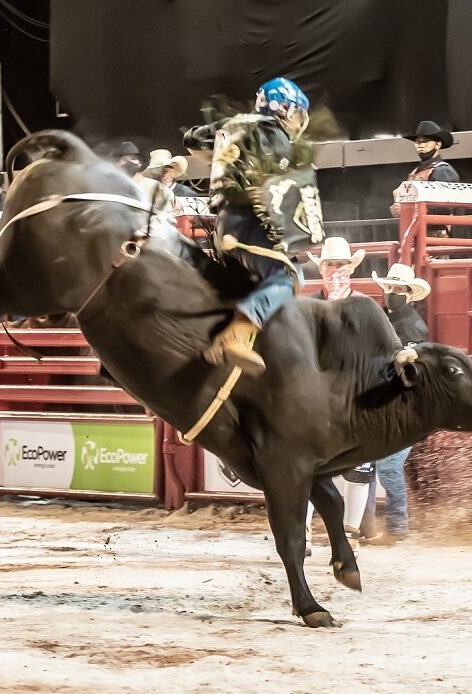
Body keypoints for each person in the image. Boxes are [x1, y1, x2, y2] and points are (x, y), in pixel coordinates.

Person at [184, 77, 324, 376]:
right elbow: (279, 188)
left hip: (222, 226)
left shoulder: (232, 125)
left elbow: (192, 139)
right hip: (249, 223)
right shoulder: (274, 133)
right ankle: (237, 332)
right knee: (289, 275)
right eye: (297, 113)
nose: (299, 121)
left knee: (243, 284)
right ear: (285, 109)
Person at [304, 237, 371, 553]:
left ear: (350, 268)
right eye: (331, 264)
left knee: (358, 467)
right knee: (304, 467)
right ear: (322, 268)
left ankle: (351, 533)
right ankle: (301, 532)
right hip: (314, 396)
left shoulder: (363, 305)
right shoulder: (310, 306)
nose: (336, 270)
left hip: (353, 394)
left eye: (341, 265)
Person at [360, 262, 432, 544]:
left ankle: (395, 527)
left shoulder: (413, 327)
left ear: (409, 293)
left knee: (385, 467)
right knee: (366, 466)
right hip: (386, 404)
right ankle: (368, 526)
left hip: (402, 407)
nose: (392, 292)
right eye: (389, 287)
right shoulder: (388, 320)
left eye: (398, 288)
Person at [390, 120, 459, 237]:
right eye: (418, 142)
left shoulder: (443, 171)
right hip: (417, 232)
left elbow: (444, 206)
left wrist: (407, 209)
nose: (420, 145)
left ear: (438, 145)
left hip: (435, 234)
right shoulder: (417, 171)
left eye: (426, 141)